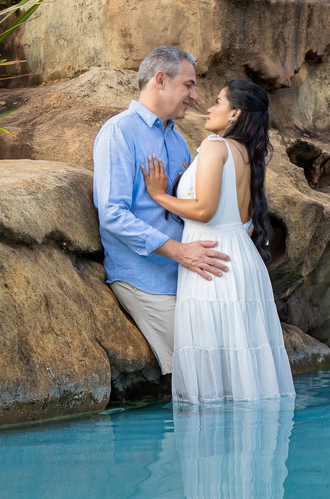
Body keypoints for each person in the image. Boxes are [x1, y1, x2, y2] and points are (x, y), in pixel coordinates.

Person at [142, 80, 295, 402]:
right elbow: (245, 223)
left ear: (234, 113)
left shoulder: (215, 146)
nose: (209, 108)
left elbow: (205, 211)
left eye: (217, 102)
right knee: (243, 366)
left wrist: (159, 195)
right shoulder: (246, 154)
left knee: (214, 367)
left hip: (212, 263)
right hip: (240, 261)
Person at [92, 46, 231, 378]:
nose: (194, 96)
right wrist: (178, 251)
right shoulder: (118, 132)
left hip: (186, 275)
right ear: (160, 80)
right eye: (188, 85)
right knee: (196, 376)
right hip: (145, 279)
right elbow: (111, 214)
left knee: (222, 369)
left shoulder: (179, 142)